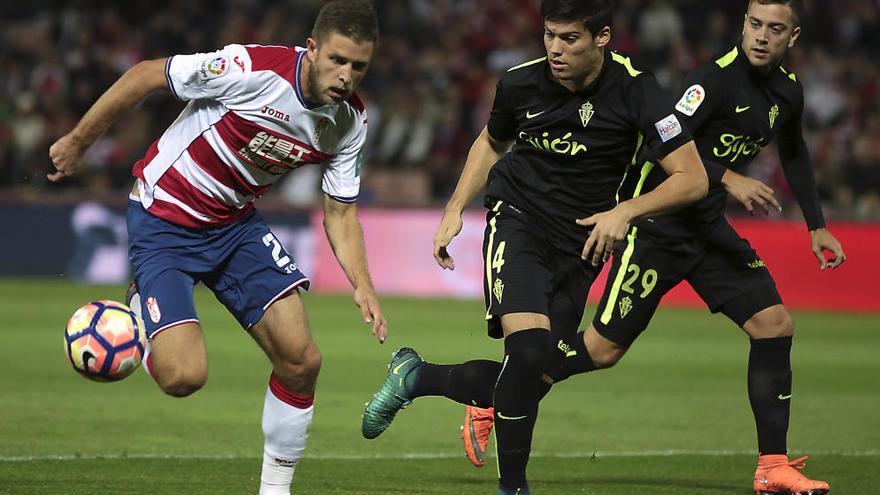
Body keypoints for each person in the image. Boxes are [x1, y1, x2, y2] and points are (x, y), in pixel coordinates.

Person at [459, 1, 843, 494]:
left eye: (774, 29)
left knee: (774, 325)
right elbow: (663, 149)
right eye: (753, 24)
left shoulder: (788, 92)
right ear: (742, 25)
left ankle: (772, 466)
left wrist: (816, 225)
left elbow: (793, 150)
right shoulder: (711, 83)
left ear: (793, 37)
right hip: (656, 230)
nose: (761, 37)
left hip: (706, 230)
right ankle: (499, 395)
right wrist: (728, 179)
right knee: (600, 350)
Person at [360, 1, 709, 493]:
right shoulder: (520, 82)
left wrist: (624, 212)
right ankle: (514, 487)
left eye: (570, 39)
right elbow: (491, 141)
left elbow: (693, 179)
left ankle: (416, 377)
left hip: (583, 242)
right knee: (525, 356)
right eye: (549, 35)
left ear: (602, 37)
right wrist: (455, 208)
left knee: (535, 372)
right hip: (518, 219)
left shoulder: (637, 90)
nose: (555, 49)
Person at [47, 2, 387, 494]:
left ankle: (275, 490)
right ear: (312, 48)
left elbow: (340, 212)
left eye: (359, 66)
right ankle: (144, 303)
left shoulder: (349, 122)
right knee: (183, 378)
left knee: (302, 361)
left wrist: (363, 285)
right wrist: (80, 141)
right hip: (164, 218)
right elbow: (146, 75)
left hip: (233, 227)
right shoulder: (251, 69)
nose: (346, 75)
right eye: (337, 60)